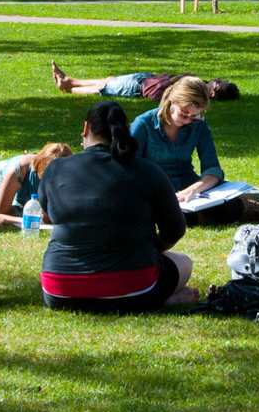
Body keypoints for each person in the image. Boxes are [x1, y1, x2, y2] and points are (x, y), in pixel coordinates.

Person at [33, 101, 198, 312]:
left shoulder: (55, 169)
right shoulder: (147, 171)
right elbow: (175, 228)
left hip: (60, 290)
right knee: (183, 262)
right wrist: (152, 249)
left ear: (85, 129)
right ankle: (160, 297)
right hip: (133, 288)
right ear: (125, 132)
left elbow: (49, 214)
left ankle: (157, 296)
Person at [129, 75, 226, 201]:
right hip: (153, 189)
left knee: (233, 204)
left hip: (188, 186)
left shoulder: (198, 124)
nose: (188, 120)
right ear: (172, 101)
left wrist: (193, 189)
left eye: (195, 115)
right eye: (184, 113)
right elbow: (129, 169)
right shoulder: (144, 124)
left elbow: (212, 168)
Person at [0, 142, 76, 223]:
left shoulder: (69, 174)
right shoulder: (19, 169)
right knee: (11, 213)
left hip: (25, 194)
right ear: (38, 168)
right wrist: (31, 222)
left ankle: (5, 203)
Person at [51, 64, 239, 102]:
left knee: (102, 89)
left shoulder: (194, 91)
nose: (217, 79)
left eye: (218, 83)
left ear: (212, 93)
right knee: (109, 81)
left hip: (140, 87)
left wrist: (182, 76)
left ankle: (68, 89)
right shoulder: (199, 85)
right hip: (146, 79)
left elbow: (169, 88)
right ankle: (69, 81)